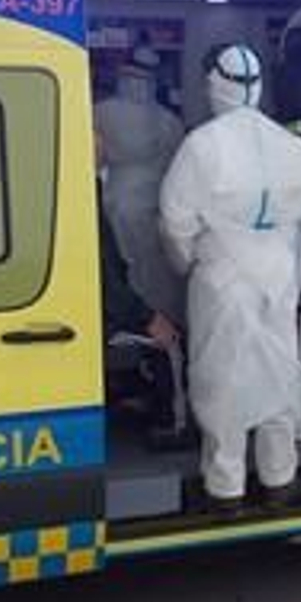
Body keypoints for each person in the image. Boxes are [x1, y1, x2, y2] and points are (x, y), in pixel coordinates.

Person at [160, 44, 301, 509]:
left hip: (222, 279)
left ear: (213, 84)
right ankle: (278, 480)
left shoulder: (202, 145)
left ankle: (226, 490)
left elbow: (175, 221)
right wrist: (287, 269)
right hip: (278, 276)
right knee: (277, 377)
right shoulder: (292, 147)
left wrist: (186, 262)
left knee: (221, 382)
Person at [95, 128, 186, 446]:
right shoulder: (94, 199)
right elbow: (106, 280)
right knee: (169, 342)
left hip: (100, 305)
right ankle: (173, 427)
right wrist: (146, 318)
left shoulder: (97, 191)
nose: (101, 143)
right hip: (101, 316)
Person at [94, 45, 186, 325]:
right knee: (155, 271)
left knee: (122, 266)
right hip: (157, 204)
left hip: (115, 201)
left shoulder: (99, 112)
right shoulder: (171, 120)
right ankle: (161, 323)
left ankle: (135, 321)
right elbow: (178, 168)